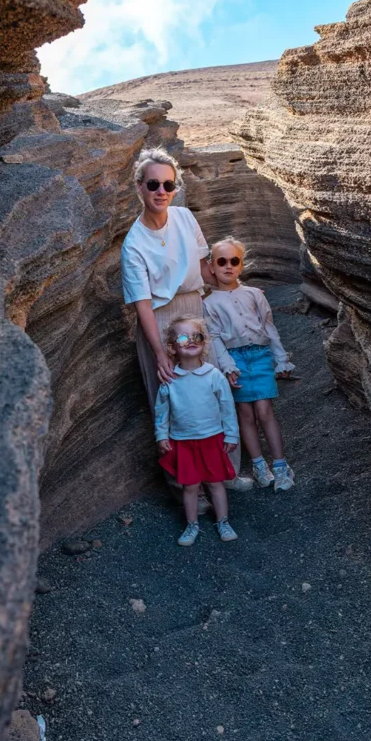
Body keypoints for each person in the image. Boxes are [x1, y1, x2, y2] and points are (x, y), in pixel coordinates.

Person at [120, 147, 253, 504]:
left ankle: (224, 475)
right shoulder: (133, 243)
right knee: (173, 403)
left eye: (168, 184)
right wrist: (160, 352)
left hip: (194, 307)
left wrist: (233, 297)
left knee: (214, 392)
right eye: (153, 184)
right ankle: (187, 492)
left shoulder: (183, 217)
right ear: (139, 187)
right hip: (160, 318)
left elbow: (203, 267)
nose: (161, 191)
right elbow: (142, 303)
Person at [204, 237, 296, 492]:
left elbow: (269, 327)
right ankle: (258, 466)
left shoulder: (255, 295)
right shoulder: (209, 303)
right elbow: (213, 338)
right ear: (211, 266)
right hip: (236, 359)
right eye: (221, 261)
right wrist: (227, 366)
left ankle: (281, 466)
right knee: (245, 414)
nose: (228, 266)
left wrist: (281, 359)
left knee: (265, 411)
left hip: (260, 355)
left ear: (242, 265)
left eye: (234, 261)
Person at [155, 317, 239, 546]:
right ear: (172, 347)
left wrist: (232, 434)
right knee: (190, 486)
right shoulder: (170, 381)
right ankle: (191, 524)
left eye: (196, 336)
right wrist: (161, 435)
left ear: (204, 342)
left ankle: (223, 521)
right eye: (183, 337)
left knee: (215, 483)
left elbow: (228, 408)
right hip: (183, 441)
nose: (191, 340)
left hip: (212, 438)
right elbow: (162, 411)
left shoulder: (214, 376)